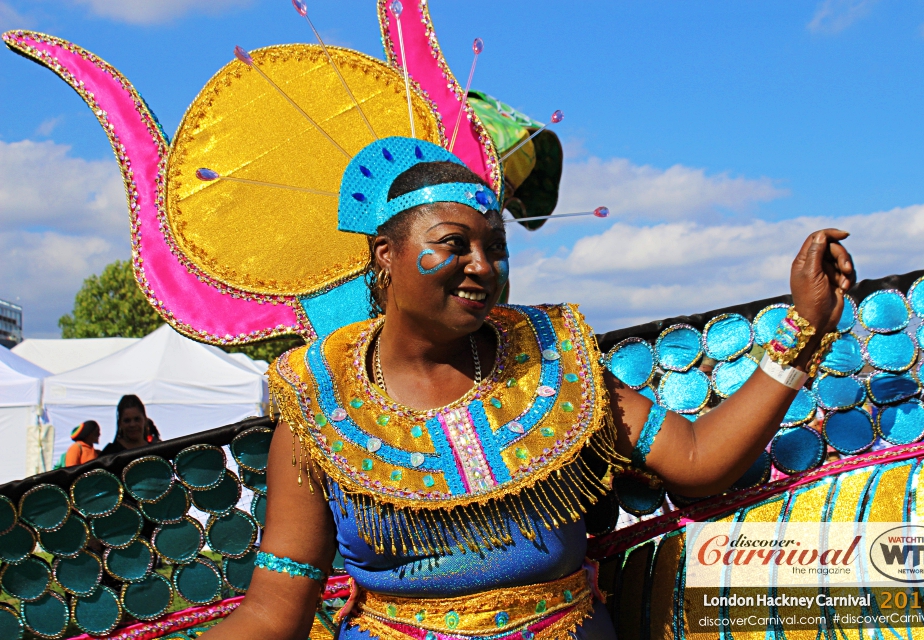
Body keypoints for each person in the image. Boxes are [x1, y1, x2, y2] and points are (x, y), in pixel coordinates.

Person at [201, 137, 855, 640]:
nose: (483, 267)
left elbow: (695, 459)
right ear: (385, 257)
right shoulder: (319, 410)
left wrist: (803, 329)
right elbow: (272, 612)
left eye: (496, 246)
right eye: (454, 244)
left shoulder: (555, 369)